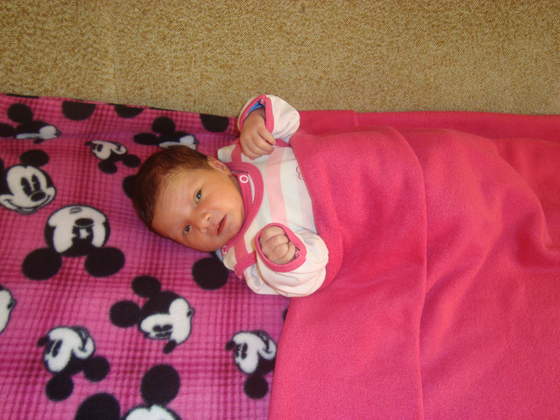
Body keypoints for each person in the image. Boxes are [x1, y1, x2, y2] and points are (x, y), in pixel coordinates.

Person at [132, 95, 328, 297]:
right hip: (343, 219)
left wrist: (256, 119)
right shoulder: (247, 257)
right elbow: (311, 281)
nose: (202, 222)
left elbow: (291, 122)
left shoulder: (246, 153)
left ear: (218, 166)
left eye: (198, 196)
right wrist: (284, 262)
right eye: (186, 229)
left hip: (336, 159)